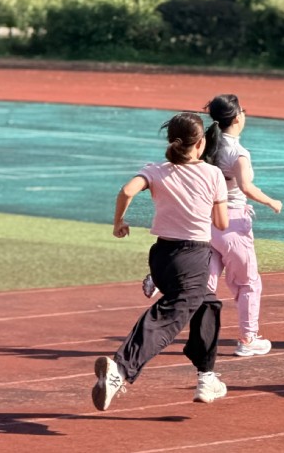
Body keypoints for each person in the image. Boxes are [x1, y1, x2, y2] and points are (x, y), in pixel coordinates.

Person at [92, 112, 229, 411]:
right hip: (193, 257)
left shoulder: (155, 170)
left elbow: (126, 191)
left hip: (162, 258)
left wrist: (118, 222)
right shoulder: (212, 174)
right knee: (166, 318)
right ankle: (120, 369)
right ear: (201, 143)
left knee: (207, 305)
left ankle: (206, 376)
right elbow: (221, 223)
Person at [201, 94, 282, 357]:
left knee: (206, 285)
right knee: (248, 284)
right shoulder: (237, 153)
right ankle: (248, 339)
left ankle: (197, 336)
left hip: (207, 222)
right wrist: (271, 201)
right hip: (232, 223)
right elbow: (246, 187)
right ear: (237, 117)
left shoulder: (206, 145)